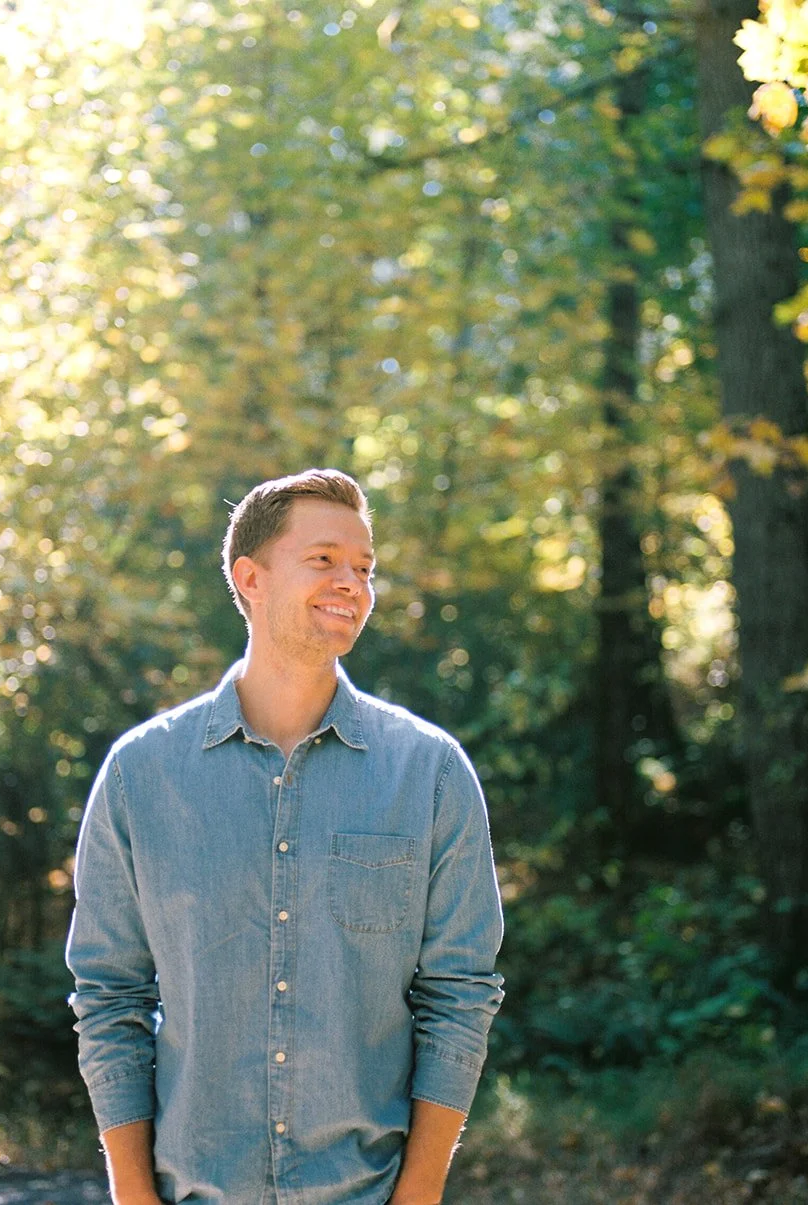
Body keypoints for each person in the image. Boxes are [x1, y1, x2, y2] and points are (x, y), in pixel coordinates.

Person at [66, 468, 504, 1205]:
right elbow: (110, 994)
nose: (353, 583)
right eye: (324, 559)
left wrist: (418, 1197)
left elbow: (460, 995)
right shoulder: (142, 774)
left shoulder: (429, 773)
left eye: (364, 568)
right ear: (251, 577)